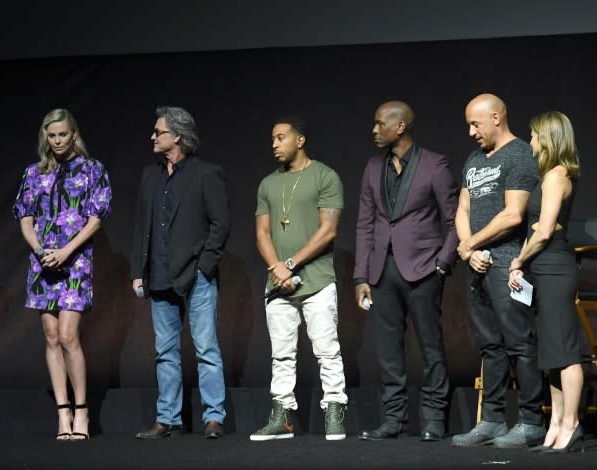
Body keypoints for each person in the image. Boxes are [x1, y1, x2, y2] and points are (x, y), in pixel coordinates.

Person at [353, 101, 459, 442]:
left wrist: (443, 263)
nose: (373, 130)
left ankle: (433, 420)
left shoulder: (434, 164)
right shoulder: (373, 167)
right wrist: (361, 276)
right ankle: (394, 419)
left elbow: (454, 219)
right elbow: (365, 224)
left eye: (379, 123)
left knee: (430, 347)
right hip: (382, 270)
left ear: (399, 127)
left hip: (424, 268)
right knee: (387, 349)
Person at [451, 93, 545, 448]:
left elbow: (513, 214)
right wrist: (469, 249)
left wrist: (470, 244)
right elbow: (462, 208)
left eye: (476, 124)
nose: (472, 132)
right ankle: (491, 419)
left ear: (496, 117)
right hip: (476, 264)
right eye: (468, 126)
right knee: (490, 346)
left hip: (508, 263)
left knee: (519, 344)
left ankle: (531, 421)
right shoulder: (474, 160)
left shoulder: (519, 154)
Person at [13, 108, 112, 441]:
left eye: (62, 135)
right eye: (51, 135)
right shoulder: (33, 173)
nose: (57, 141)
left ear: (74, 135)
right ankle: (62, 414)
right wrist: (41, 251)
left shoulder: (92, 169)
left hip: (75, 260)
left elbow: (96, 219)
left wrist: (67, 250)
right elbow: (25, 219)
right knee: (51, 334)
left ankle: (82, 412)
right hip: (42, 261)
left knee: (69, 335)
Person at [131, 105, 230, 440]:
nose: (153, 136)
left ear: (177, 135)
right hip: (158, 277)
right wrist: (138, 271)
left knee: (206, 349)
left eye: (158, 131)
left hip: (196, 277)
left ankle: (213, 418)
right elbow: (141, 228)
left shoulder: (206, 173)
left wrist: (205, 266)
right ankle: (167, 419)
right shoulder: (151, 175)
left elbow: (221, 224)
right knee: (165, 352)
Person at [250, 116, 348, 441]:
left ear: (300, 140)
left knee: (326, 349)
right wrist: (278, 268)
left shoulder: (325, 176)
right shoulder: (267, 184)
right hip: (277, 285)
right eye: (272, 139)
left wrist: (290, 263)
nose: (274, 144)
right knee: (281, 353)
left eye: (280, 138)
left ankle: (334, 411)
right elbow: (262, 233)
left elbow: (328, 230)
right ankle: (282, 417)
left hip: (317, 280)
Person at [508, 111, 583, 453]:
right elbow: (536, 231)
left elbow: (545, 228)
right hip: (543, 266)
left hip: (554, 268)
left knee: (564, 351)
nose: (530, 142)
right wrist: (523, 263)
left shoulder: (556, 175)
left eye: (534, 135)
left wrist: (518, 260)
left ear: (548, 138)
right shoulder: (549, 176)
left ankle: (572, 423)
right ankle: (555, 423)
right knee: (551, 353)